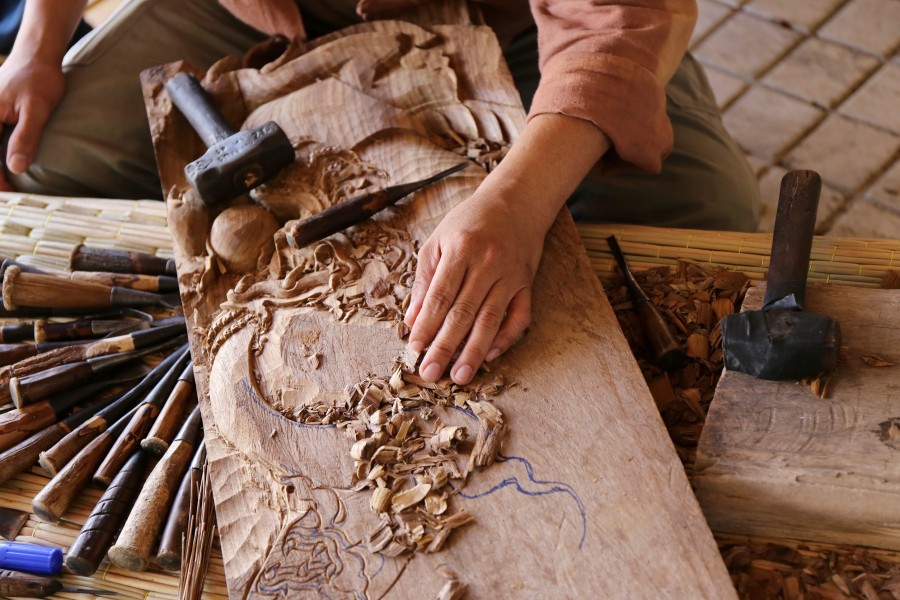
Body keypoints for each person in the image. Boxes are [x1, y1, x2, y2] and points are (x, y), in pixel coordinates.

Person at [0, 0, 759, 386]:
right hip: (246, 7)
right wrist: (37, 47)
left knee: (708, 221)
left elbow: (615, 19)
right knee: (40, 161)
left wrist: (519, 202)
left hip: (508, 15)